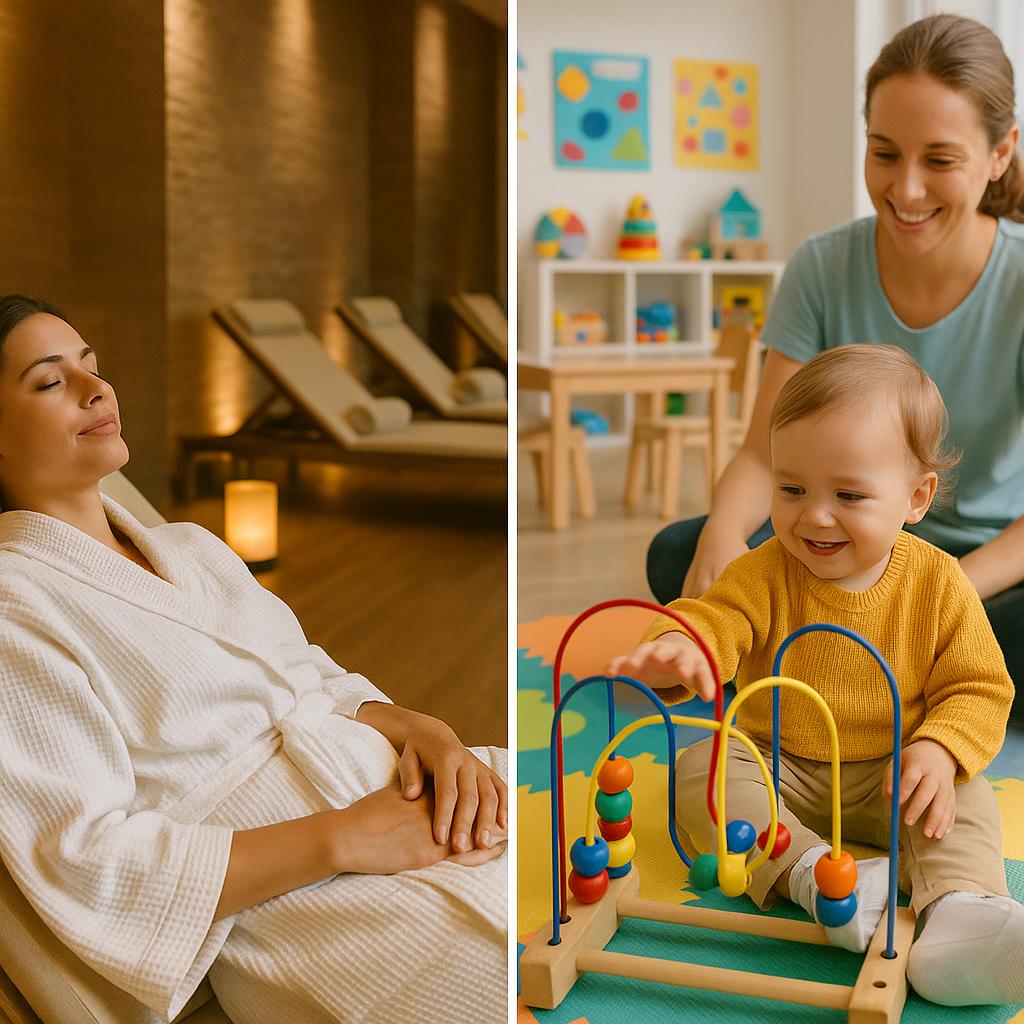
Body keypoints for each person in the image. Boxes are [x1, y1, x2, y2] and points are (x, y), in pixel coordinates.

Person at [0, 294, 508, 1024]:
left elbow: (313, 673)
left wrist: (424, 731)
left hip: (385, 785)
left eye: (93, 367)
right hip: (297, 900)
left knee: (579, 854)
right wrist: (342, 839)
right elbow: (85, 858)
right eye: (50, 382)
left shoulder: (190, 545)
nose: (96, 389)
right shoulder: (17, 606)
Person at [608, 344, 1024, 1007]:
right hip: (779, 764)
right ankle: (820, 875)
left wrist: (939, 749)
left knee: (963, 801)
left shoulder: (940, 583)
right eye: (791, 488)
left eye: (849, 495)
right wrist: (680, 650)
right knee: (701, 770)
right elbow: (712, 619)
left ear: (915, 498)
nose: (814, 515)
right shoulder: (760, 570)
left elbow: (978, 687)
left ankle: (965, 917)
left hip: (897, 767)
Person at [646, 13, 1024, 715]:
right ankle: (886, 679)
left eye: (940, 160)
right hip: (834, 542)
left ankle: (853, 666)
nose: (906, 191)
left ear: (1001, 153)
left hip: (982, 569)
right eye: (884, 153)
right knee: (679, 552)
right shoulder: (821, 266)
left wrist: (937, 598)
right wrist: (724, 538)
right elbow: (762, 452)